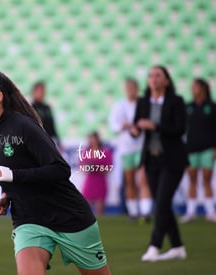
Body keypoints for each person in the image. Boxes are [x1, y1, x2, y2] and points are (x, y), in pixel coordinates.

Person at [0, 69, 111, 275]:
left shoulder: (23, 126)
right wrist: (6, 195)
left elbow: (60, 169)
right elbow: (11, 175)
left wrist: (13, 176)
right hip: (28, 219)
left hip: (69, 216)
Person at [131, 65, 188, 262]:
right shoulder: (143, 102)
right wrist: (135, 130)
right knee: (163, 205)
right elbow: (136, 125)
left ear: (166, 80)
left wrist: (155, 126)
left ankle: (154, 247)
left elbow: (179, 129)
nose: (153, 79)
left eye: (158, 75)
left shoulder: (177, 101)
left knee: (162, 204)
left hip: (172, 160)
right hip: (151, 160)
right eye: (150, 76)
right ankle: (178, 247)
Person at [109, 78, 152, 222]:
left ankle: (145, 212)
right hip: (126, 149)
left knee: (143, 180)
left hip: (141, 147)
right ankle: (133, 213)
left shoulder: (144, 104)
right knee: (130, 181)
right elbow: (113, 126)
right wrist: (125, 125)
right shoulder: (120, 105)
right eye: (128, 87)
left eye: (133, 87)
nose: (131, 90)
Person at [182, 78, 216, 223]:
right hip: (191, 149)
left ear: (203, 88)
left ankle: (210, 211)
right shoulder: (188, 107)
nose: (193, 89)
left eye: (196, 86)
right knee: (192, 180)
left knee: (207, 180)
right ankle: (191, 211)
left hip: (208, 149)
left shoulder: (212, 107)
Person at [80, 131, 113, 216]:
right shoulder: (86, 152)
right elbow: (82, 168)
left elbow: (108, 169)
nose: (92, 141)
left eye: (93, 138)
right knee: (85, 207)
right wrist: (89, 167)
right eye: (90, 139)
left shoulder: (105, 152)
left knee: (100, 208)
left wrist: (96, 167)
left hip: (100, 181)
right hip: (90, 181)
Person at [31, 81, 62, 149]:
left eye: (43, 91)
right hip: (36, 141)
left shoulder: (47, 108)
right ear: (33, 92)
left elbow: (52, 125)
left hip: (48, 141)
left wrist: (59, 141)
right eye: (39, 91)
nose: (42, 93)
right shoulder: (30, 108)